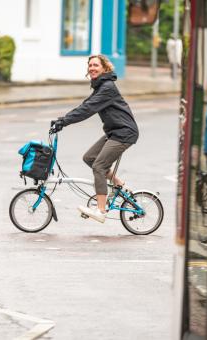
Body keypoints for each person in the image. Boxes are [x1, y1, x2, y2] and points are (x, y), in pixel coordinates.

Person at [51, 55, 139, 223]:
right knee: (89, 158)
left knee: (99, 166)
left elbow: (87, 109)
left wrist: (65, 122)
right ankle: (119, 184)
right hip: (114, 132)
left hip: (124, 133)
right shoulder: (100, 87)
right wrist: (62, 119)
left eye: (96, 65)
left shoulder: (107, 88)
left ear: (105, 69)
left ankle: (101, 210)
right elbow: (84, 106)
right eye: (90, 65)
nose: (92, 68)